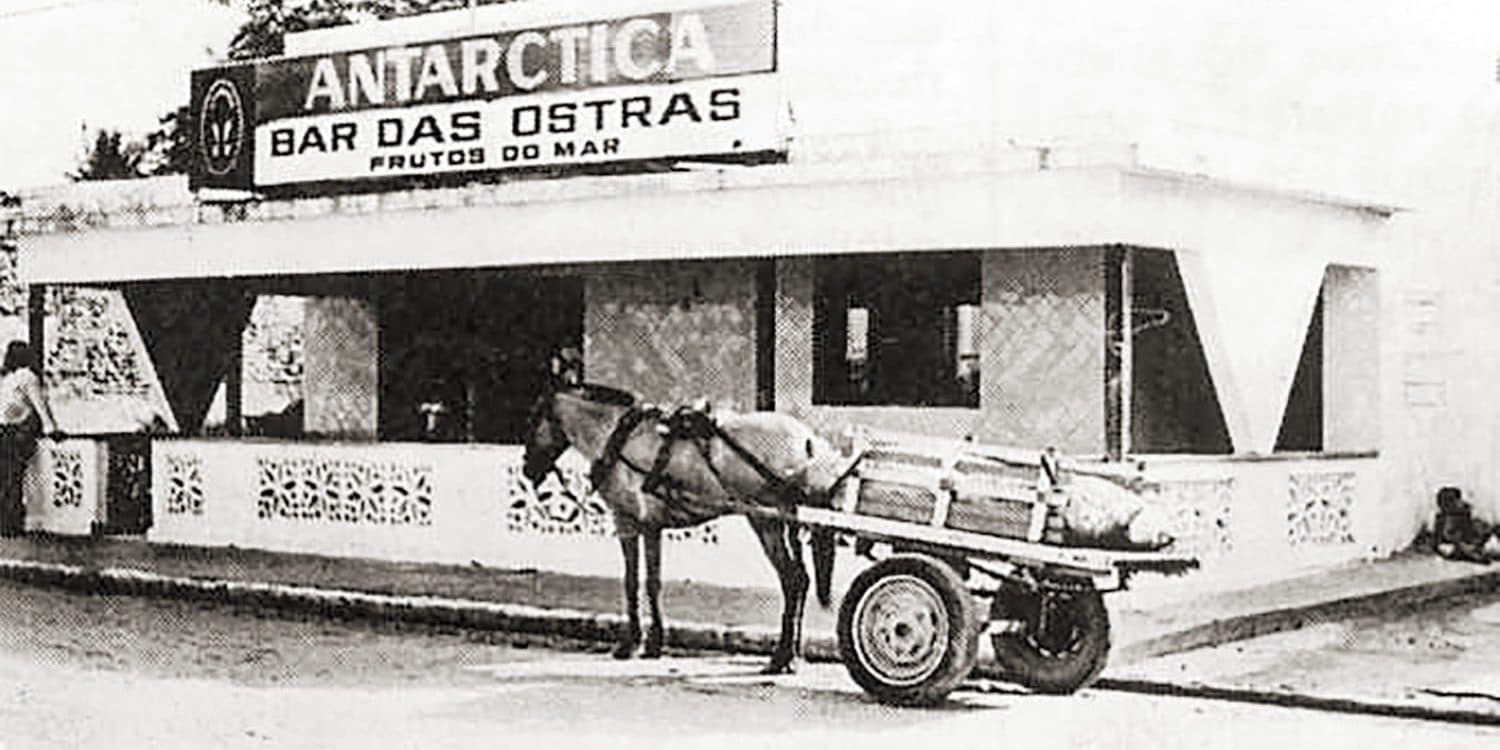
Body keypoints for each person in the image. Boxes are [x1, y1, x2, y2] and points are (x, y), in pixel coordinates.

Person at [0, 341, 59, 537]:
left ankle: (5, 523)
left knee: (5, 478)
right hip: (15, 433)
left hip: (3, 429)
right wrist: (51, 428)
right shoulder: (28, 376)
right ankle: (11, 524)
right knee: (12, 479)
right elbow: (40, 405)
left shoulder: (8, 378)